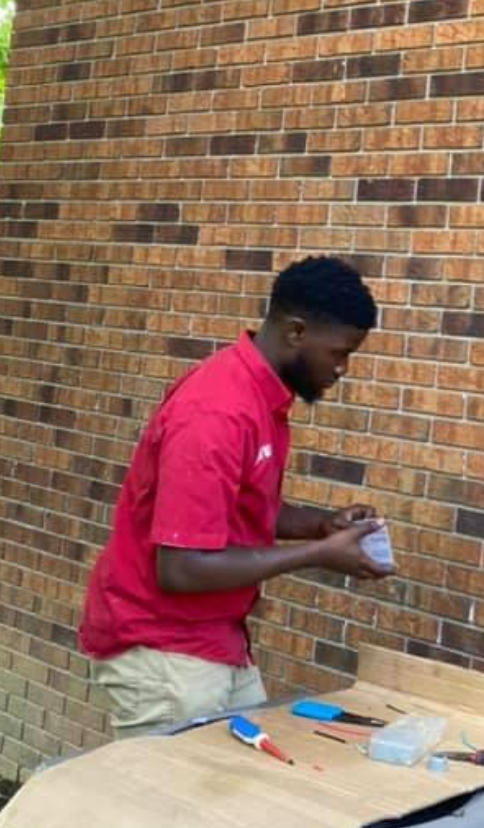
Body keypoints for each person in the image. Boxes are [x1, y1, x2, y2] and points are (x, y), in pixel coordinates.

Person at [79, 254, 387, 737]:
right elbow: (181, 567)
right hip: (165, 650)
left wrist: (321, 525)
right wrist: (319, 554)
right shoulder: (217, 412)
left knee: (245, 787)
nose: (344, 368)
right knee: (177, 810)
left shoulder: (261, 397)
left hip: (216, 639)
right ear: (296, 332)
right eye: (340, 352)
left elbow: (240, 509)